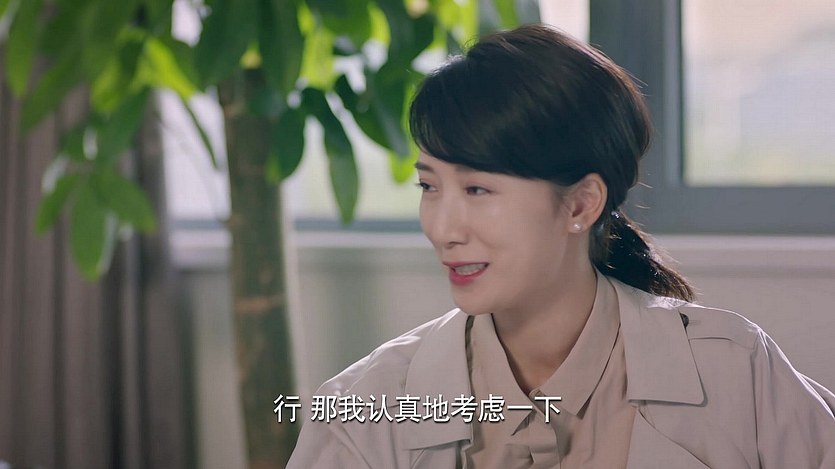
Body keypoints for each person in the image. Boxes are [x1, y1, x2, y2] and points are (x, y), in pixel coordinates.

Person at [287, 24, 835, 468]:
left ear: (580, 205)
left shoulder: (736, 373)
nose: (443, 228)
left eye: (477, 189)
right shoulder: (369, 407)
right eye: (429, 187)